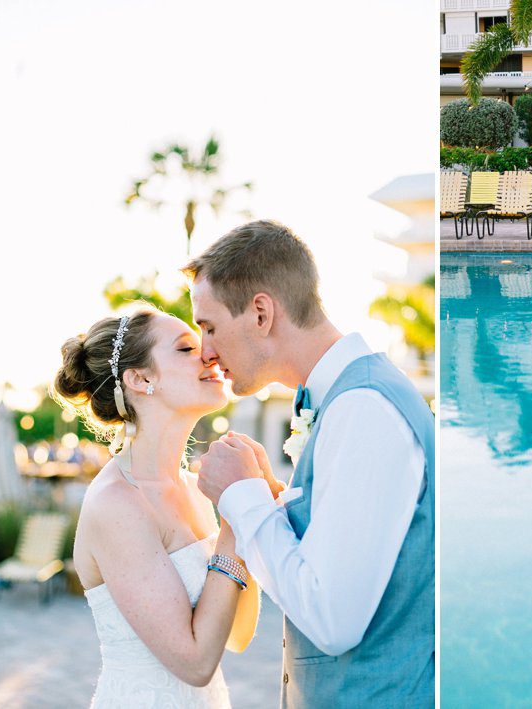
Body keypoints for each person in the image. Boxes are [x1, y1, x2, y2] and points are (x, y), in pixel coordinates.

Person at [186, 220, 435, 708]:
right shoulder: (346, 403)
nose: (206, 353)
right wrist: (270, 500)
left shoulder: (364, 409)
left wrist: (243, 497)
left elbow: (331, 620)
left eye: (210, 327)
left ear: (261, 313)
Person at [55, 307, 260, 708]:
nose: (209, 355)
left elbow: (237, 636)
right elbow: (195, 662)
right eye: (186, 348)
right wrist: (235, 523)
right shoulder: (117, 503)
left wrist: (250, 505)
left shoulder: (196, 488)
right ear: (141, 378)